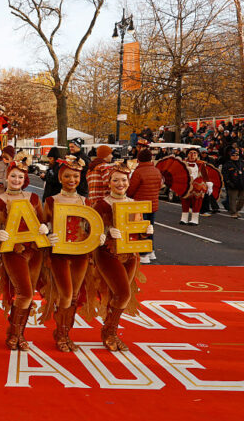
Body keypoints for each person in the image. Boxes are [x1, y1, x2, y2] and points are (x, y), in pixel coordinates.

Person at [0, 153, 51, 350]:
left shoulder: (33, 197)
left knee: (28, 293)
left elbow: (42, 220)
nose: (16, 180)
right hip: (13, 251)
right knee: (24, 293)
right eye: (13, 176)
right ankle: (15, 333)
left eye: (20, 177)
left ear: (25, 179)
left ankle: (18, 334)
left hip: (34, 250)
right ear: (6, 177)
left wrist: (46, 228)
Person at [92, 162, 151, 351]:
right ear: (108, 183)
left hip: (131, 254)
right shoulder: (101, 204)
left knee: (120, 295)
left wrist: (146, 231)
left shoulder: (134, 204)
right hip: (108, 254)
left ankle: (109, 330)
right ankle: (109, 332)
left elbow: (138, 232)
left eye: (124, 180)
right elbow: (91, 230)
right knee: (123, 294)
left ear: (128, 181)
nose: (120, 183)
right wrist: (107, 232)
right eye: (115, 180)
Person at [41, 156, 93, 352]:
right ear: (61, 178)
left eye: (76, 176)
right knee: (66, 294)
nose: (72, 180)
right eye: (68, 176)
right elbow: (43, 223)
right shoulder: (51, 200)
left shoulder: (86, 201)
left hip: (80, 252)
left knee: (74, 296)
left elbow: (91, 227)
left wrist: (101, 235)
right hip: (60, 253)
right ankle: (61, 334)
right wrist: (47, 233)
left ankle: (64, 332)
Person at [127, 149, 163, 263]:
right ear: (150, 158)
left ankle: (144, 254)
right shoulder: (156, 171)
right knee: (150, 228)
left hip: (140, 205)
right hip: (153, 204)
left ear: (138, 159)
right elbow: (159, 186)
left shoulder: (138, 172)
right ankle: (151, 251)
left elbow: (131, 189)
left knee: (141, 229)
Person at [180, 149, 212, 226]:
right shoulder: (183, 163)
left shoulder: (201, 164)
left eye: (195, 153)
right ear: (187, 154)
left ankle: (194, 219)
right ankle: (184, 218)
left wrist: (209, 185)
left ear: (197, 155)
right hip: (186, 185)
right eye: (191, 153)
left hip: (197, 186)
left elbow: (205, 175)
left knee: (197, 202)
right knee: (185, 201)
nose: (192, 154)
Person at [222, 148, 244, 218]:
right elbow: (225, 175)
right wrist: (229, 182)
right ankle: (233, 212)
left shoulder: (242, 163)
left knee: (242, 199)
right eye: (233, 155)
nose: (235, 156)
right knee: (233, 199)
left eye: (236, 155)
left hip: (242, 184)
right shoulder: (227, 164)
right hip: (232, 185)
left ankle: (237, 210)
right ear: (230, 156)